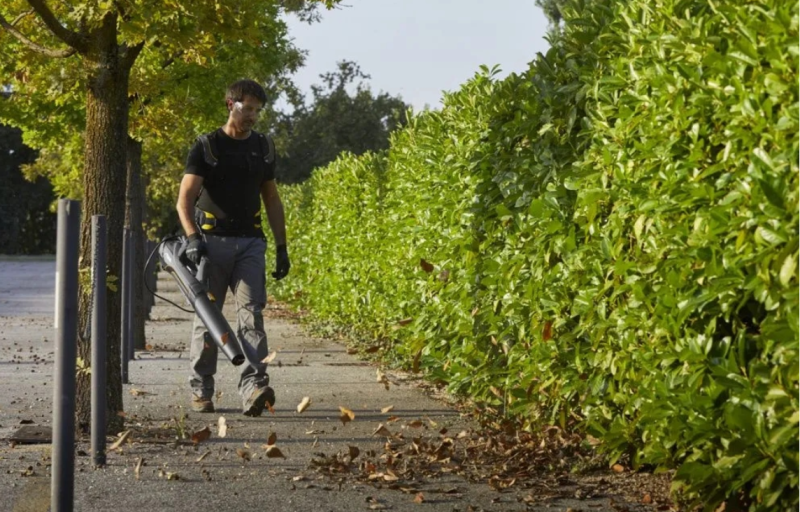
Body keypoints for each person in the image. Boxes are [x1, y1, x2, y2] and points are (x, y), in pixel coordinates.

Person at [176, 79, 290, 417]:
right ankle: (201, 390)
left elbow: (272, 198)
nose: (253, 116)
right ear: (231, 104)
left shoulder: (264, 147)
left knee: (251, 315)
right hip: (211, 245)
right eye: (248, 108)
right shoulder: (207, 147)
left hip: (251, 244)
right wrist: (193, 238)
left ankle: (254, 386)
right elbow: (184, 200)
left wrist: (282, 246)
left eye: (258, 110)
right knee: (208, 322)